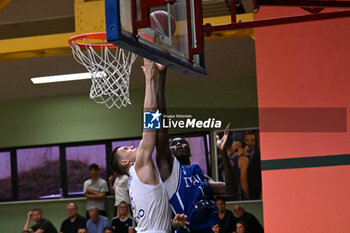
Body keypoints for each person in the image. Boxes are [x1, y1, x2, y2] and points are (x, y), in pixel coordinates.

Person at [154, 63, 237, 232]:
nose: (179, 144)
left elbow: (230, 189)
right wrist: (161, 75)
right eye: (173, 143)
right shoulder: (169, 172)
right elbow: (161, 121)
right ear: (167, 152)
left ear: (190, 150)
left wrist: (223, 153)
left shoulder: (200, 175)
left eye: (182, 142)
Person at [109, 59, 188, 233]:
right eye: (125, 150)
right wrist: (148, 78)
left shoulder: (136, 178)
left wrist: (170, 224)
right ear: (124, 163)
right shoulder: (140, 165)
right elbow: (150, 122)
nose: (130, 146)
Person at [242, 132, 262, 200]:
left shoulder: (259, 154)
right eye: (247, 140)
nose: (250, 143)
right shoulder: (240, 156)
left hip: (257, 189)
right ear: (244, 142)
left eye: (252, 140)